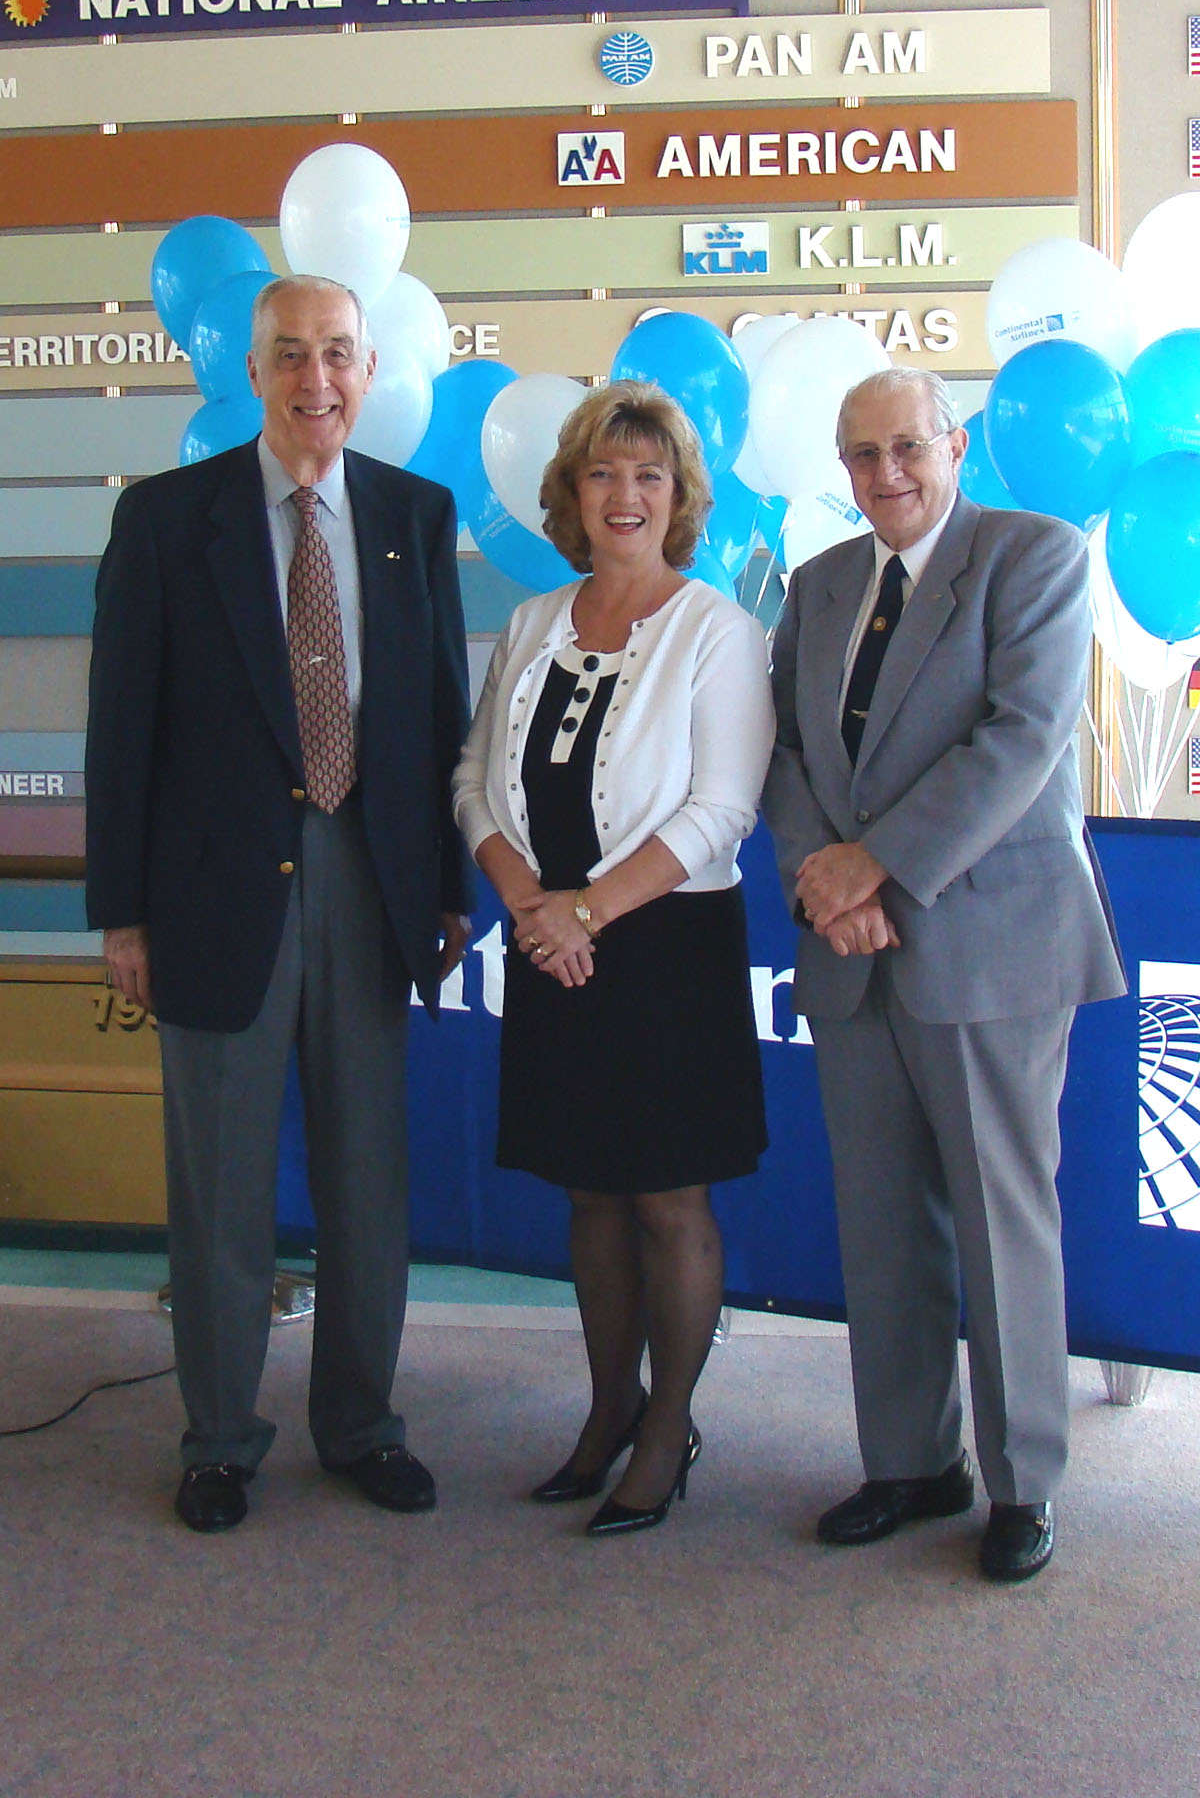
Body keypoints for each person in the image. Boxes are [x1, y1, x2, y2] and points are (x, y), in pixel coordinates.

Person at [85, 274, 473, 1533]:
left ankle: (361, 1425)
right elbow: (121, 730)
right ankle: (219, 1438)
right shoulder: (164, 521)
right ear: (251, 373)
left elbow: (437, 724)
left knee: (371, 1182)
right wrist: (122, 914)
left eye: (340, 356)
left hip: (372, 886)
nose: (318, 380)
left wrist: (448, 888)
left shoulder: (418, 513)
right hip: (209, 904)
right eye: (292, 356)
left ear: (369, 372)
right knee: (219, 1192)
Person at [762, 366, 1125, 1582]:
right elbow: (791, 755)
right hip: (852, 949)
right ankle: (913, 1463)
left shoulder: (1033, 556)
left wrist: (875, 870)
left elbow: (1020, 737)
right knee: (883, 1225)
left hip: (989, 940)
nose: (886, 477)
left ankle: (1025, 1483)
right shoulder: (816, 588)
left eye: (907, 448)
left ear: (954, 444)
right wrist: (822, 875)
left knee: (1001, 1223)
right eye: (862, 456)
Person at [453, 382, 773, 1536]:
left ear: (680, 497)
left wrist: (584, 915)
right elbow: (473, 779)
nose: (625, 495)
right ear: (570, 494)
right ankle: (605, 1409)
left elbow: (720, 811)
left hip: (665, 949)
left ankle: (669, 1423)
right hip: (549, 941)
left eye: (650, 476)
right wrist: (528, 903)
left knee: (666, 1198)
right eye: (603, 473)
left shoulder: (718, 630)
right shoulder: (533, 624)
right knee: (589, 1191)